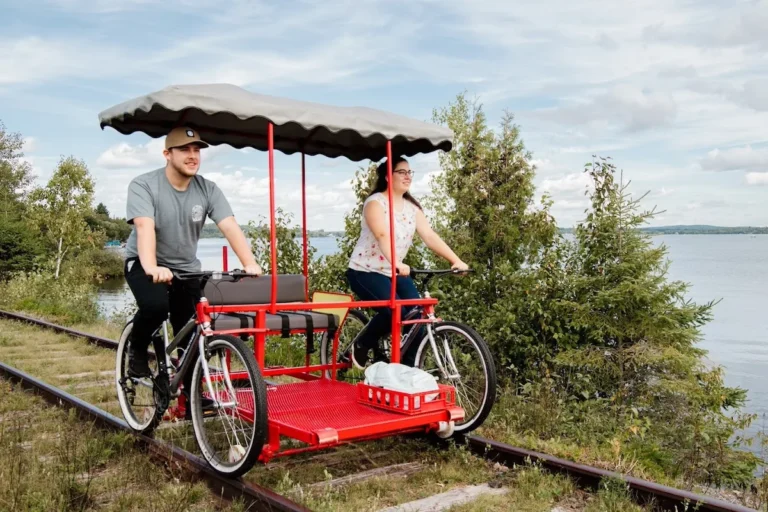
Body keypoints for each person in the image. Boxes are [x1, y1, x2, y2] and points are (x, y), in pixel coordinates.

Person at [123, 126, 262, 392]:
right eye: (184, 149)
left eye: (196, 150)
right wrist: (152, 266)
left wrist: (249, 263)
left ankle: (193, 399)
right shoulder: (144, 185)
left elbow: (229, 225)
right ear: (167, 154)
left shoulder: (207, 189)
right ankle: (136, 349)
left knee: (192, 331)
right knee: (155, 308)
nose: (192, 155)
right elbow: (144, 227)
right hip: (144, 262)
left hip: (186, 269)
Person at [345, 156, 468, 368]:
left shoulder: (412, 208)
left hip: (394, 271)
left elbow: (429, 236)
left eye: (409, 172)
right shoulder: (375, 203)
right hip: (365, 271)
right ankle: (361, 345)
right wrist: (396, 262)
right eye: (402, 172)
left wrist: (455, 260)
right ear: (387, 176)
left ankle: (407, 371)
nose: (407, 176)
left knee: (418, 319)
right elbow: (383, 235)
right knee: (397, 312)